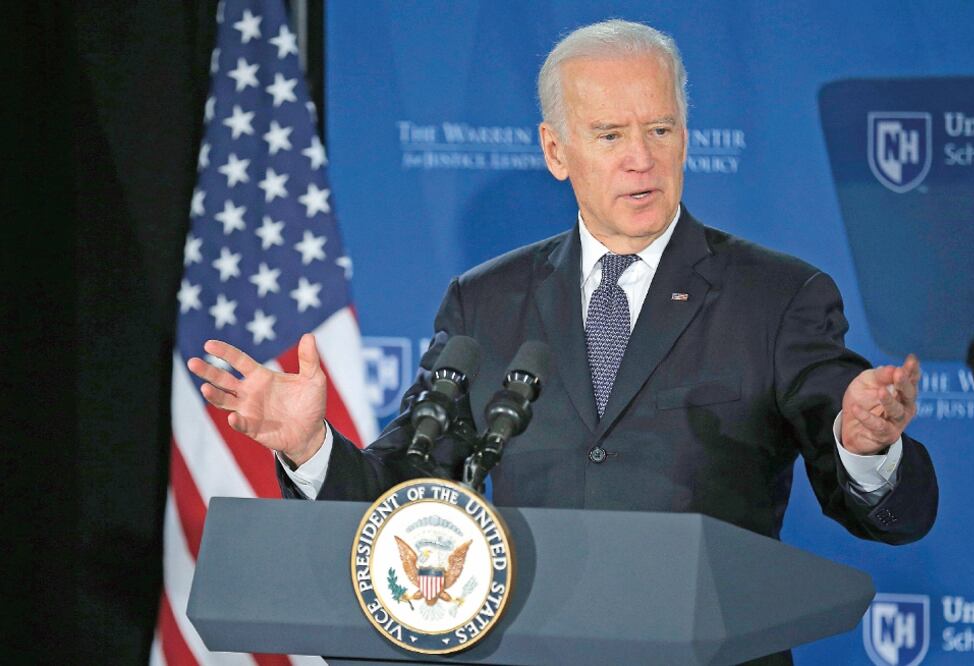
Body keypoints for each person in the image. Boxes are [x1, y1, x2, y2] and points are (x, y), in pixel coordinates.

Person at [189, 20, 936, 545]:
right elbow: (406, 491)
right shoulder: (486, 301)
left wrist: (863, 442)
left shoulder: (777, 296)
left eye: (661, 129)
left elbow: (880, 504)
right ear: (556, 150)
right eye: (610, 136)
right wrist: (312, 444)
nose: (640, 158)